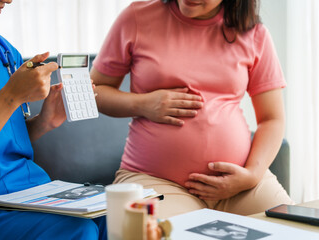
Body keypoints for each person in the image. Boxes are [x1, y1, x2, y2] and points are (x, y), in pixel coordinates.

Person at [90, 0, 294, 219]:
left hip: (240, 183)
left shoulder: (252, 31)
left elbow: (272, 119)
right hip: (156, 180)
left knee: (296, 229)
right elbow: (93, 92)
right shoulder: (137, 17)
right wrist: (144, 104)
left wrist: (252, 175)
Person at [0, 0, 107, 239]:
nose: (8, 0)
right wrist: (10, 97)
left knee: (118, 216)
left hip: (30, 192)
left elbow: (2, 141)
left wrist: (44, 122)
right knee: (76, 230)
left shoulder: (3, 50)